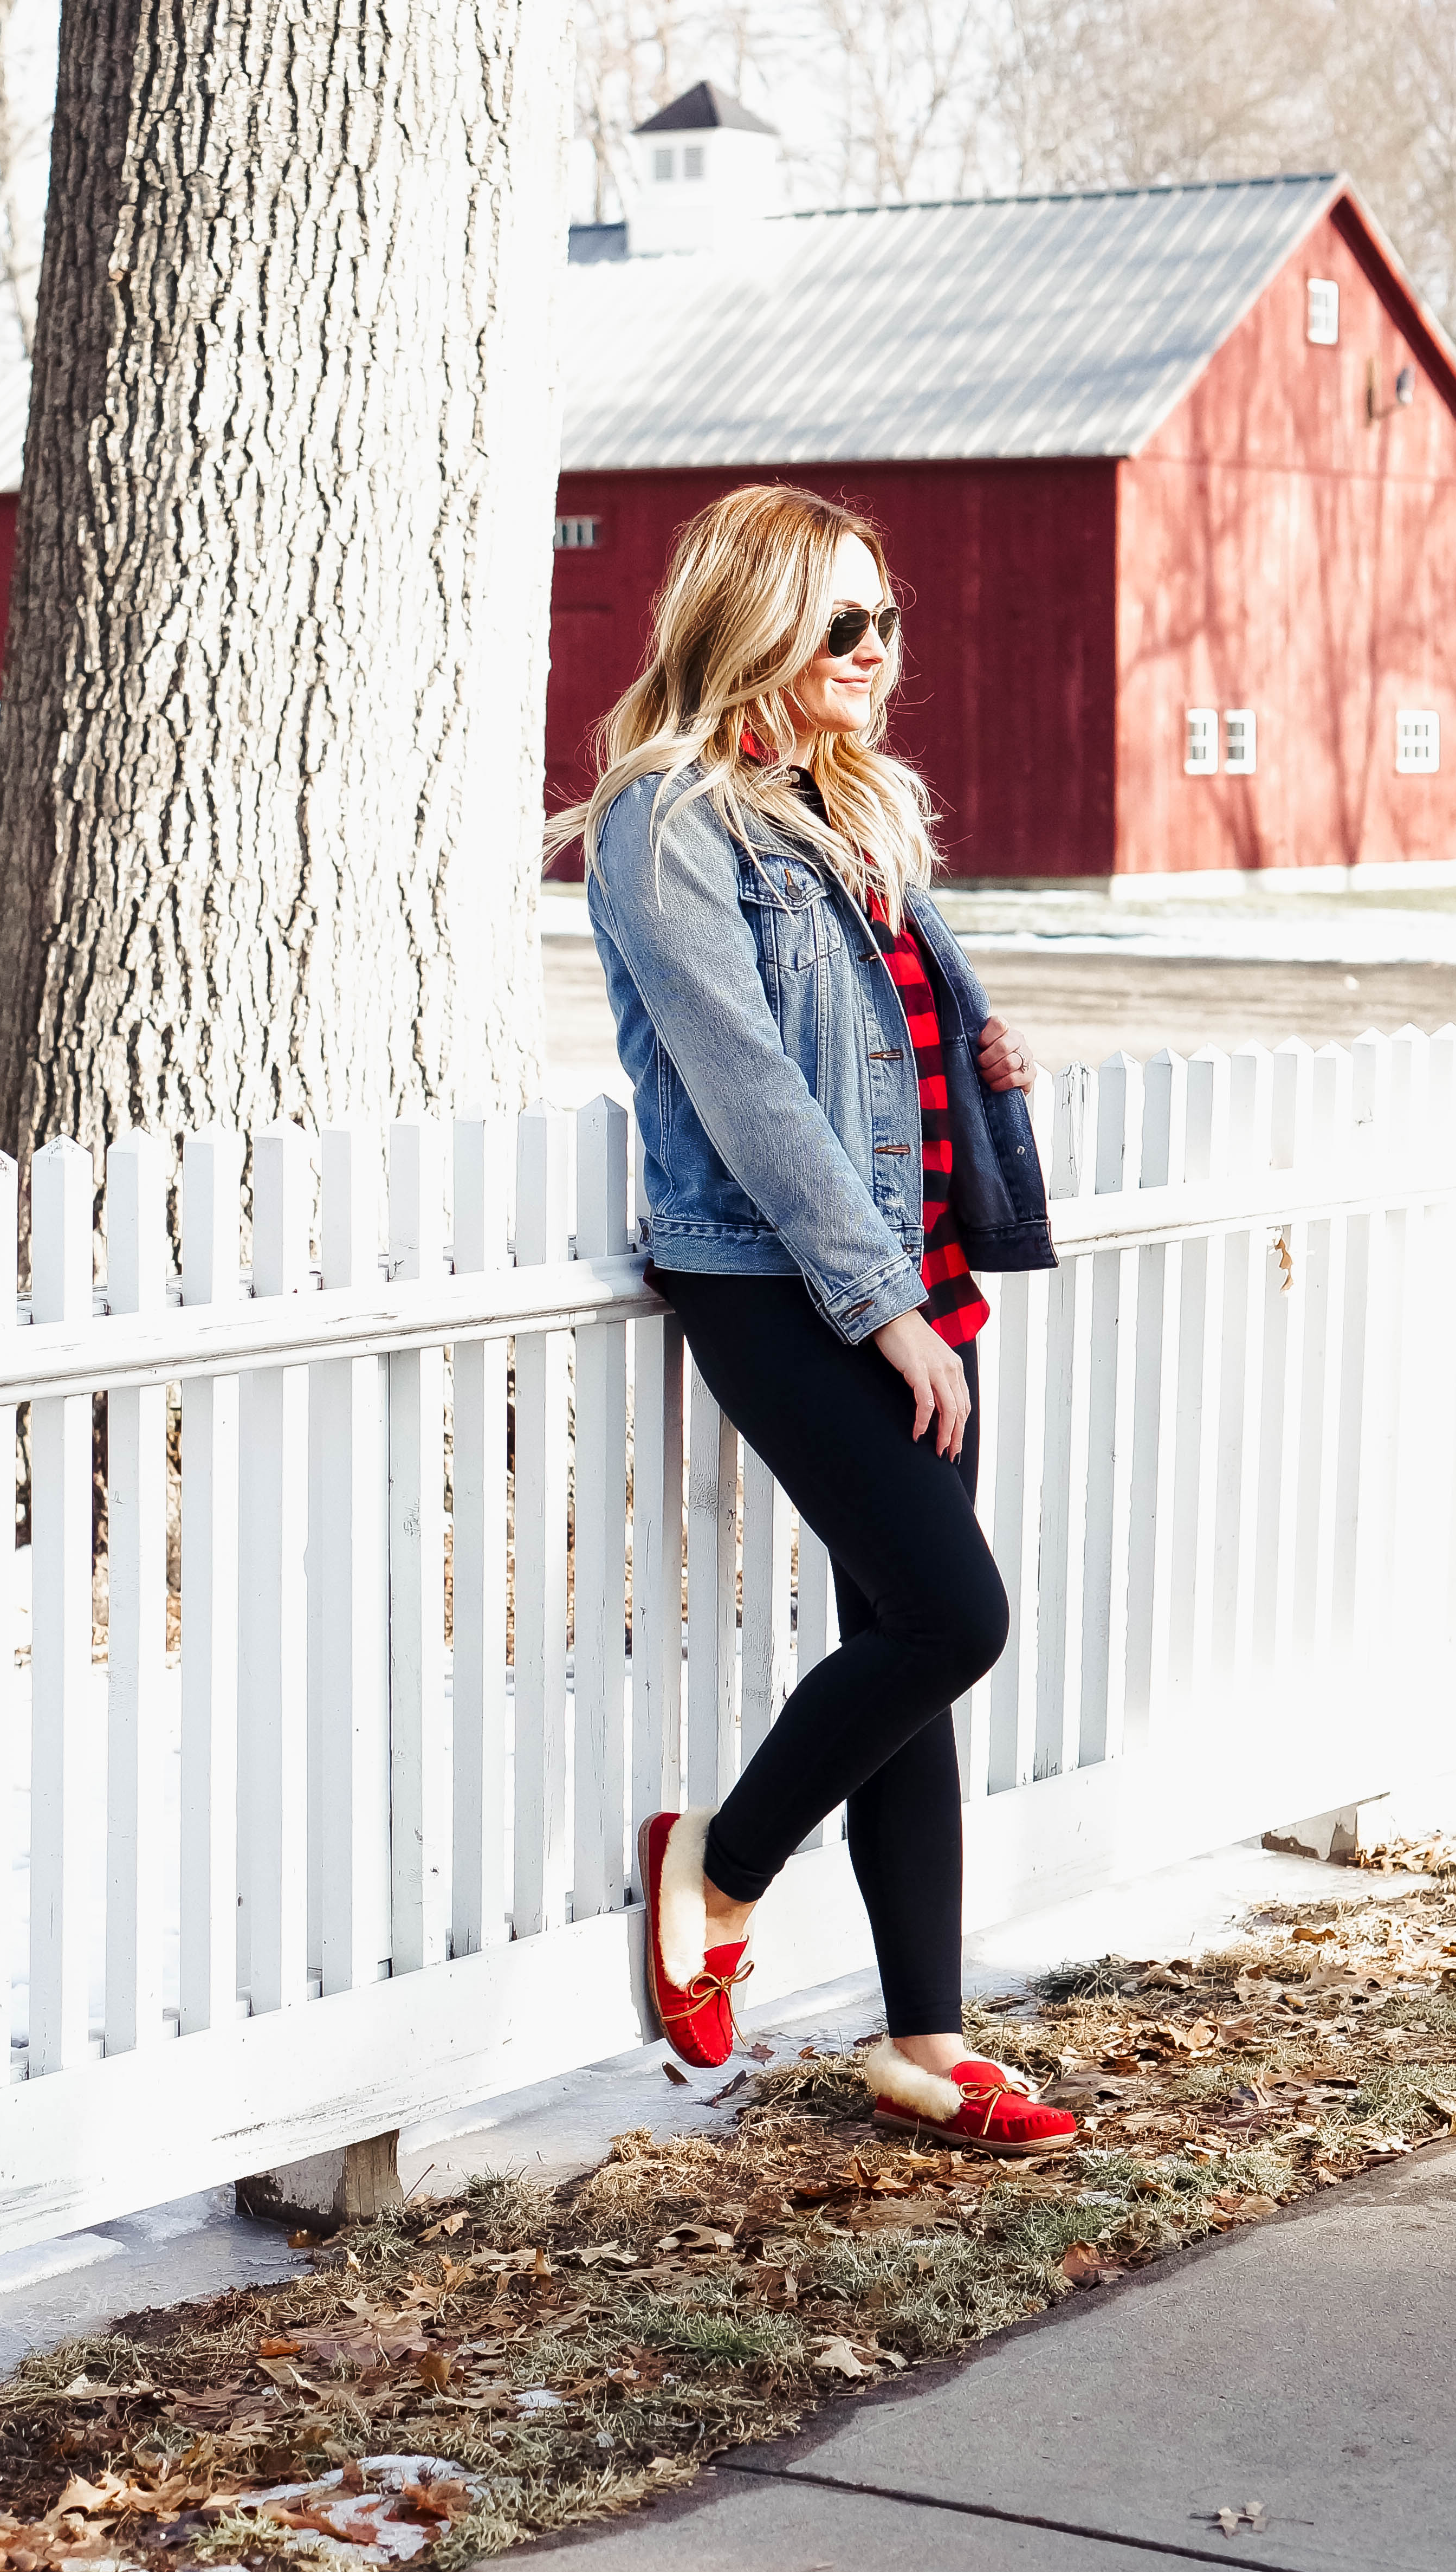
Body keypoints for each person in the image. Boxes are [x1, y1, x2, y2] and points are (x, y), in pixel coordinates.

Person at [548, 482, 1076, 2156]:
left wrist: (977, 1060)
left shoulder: (843, 812)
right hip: (781, 1281)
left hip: (913, 1278)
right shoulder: (670, 822)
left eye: (884, 622)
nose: (875, 650)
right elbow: (753, 1088)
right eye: (839, 622)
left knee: (904, 1656)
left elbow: (876, 1043)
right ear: (753, 622)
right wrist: (879, 1306)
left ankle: (925, 2041)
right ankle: (715, 1868)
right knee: (950, 1619)